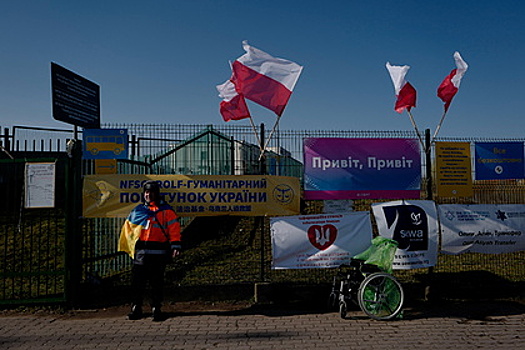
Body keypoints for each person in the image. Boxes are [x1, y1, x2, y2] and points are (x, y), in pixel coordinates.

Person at [118, 180, 181, 321]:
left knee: (156, 282)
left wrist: (175, 245)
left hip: (159, 252)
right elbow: (129, 230)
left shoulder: (167, 211)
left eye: (151, 192)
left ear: (157, 194)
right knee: (137, 282)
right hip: (141, 252)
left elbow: (174, 229)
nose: (148, 195)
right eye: (146, 192)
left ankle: (156, 308)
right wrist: (128, 246)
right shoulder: (138, 210)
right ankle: (136, 307)